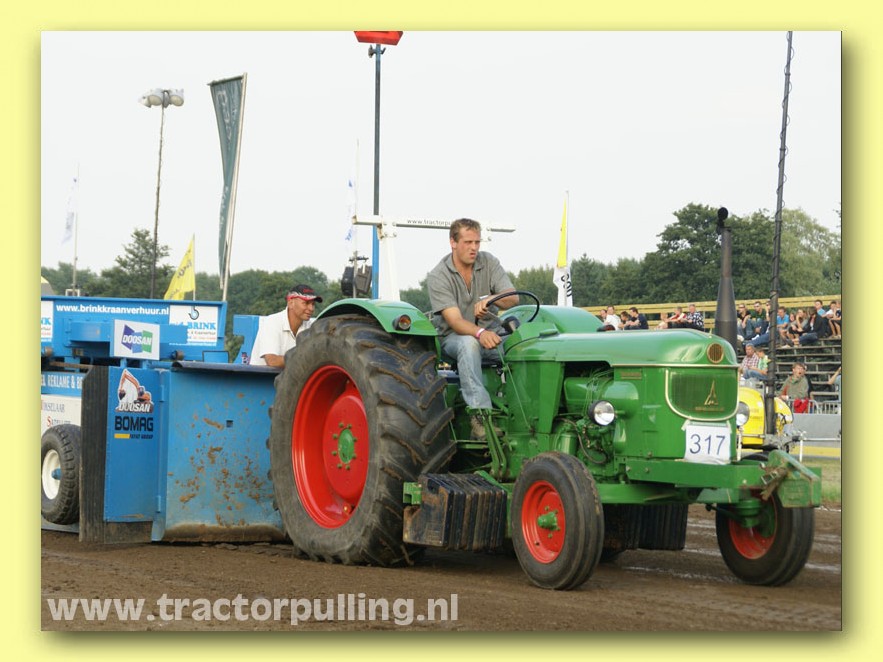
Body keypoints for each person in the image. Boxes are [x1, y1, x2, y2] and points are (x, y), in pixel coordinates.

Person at [427, 218, 518, 440]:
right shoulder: (439, 275)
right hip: (453, 339)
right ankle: (480, 417)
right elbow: (455, 321)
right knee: (469, 344)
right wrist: (480, 333)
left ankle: (523, 409)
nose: (474, 248)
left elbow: (513, 299)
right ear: (453, 242)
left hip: (491, 334)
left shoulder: (488, 262)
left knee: (524, 343)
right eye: (468, 242)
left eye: (477, 242)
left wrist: (492, 299)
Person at [249, 283, 322, 367]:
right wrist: (305, 359)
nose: (311, 308)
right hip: (262, 375)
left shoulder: (311, 326)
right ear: (290, 303)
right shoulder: (272, 322)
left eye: (313, 304)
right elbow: (272, 361)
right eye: (306, 303)